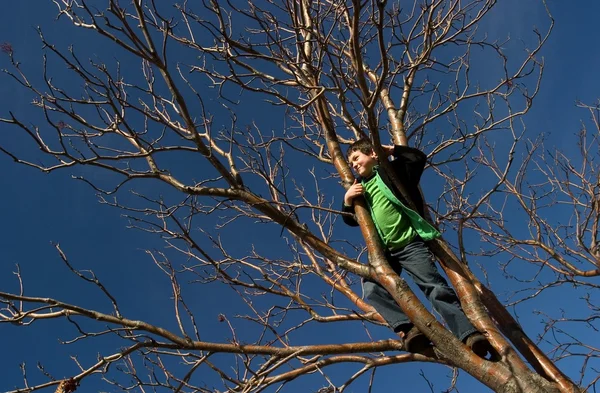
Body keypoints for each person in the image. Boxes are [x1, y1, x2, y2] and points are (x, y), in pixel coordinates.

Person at [342, 138, 494, 358]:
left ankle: (469, 334)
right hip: (384, 252)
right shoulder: (360, 189)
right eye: (350, 163)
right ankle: (408, 329)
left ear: (373, 154)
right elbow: (351, 219)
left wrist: (391, 150)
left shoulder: (393, 171)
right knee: (372, 289)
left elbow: (417, 158)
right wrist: (347, 200)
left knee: (434, 286)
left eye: (357, 158)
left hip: (409, 243)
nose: (354, 164)